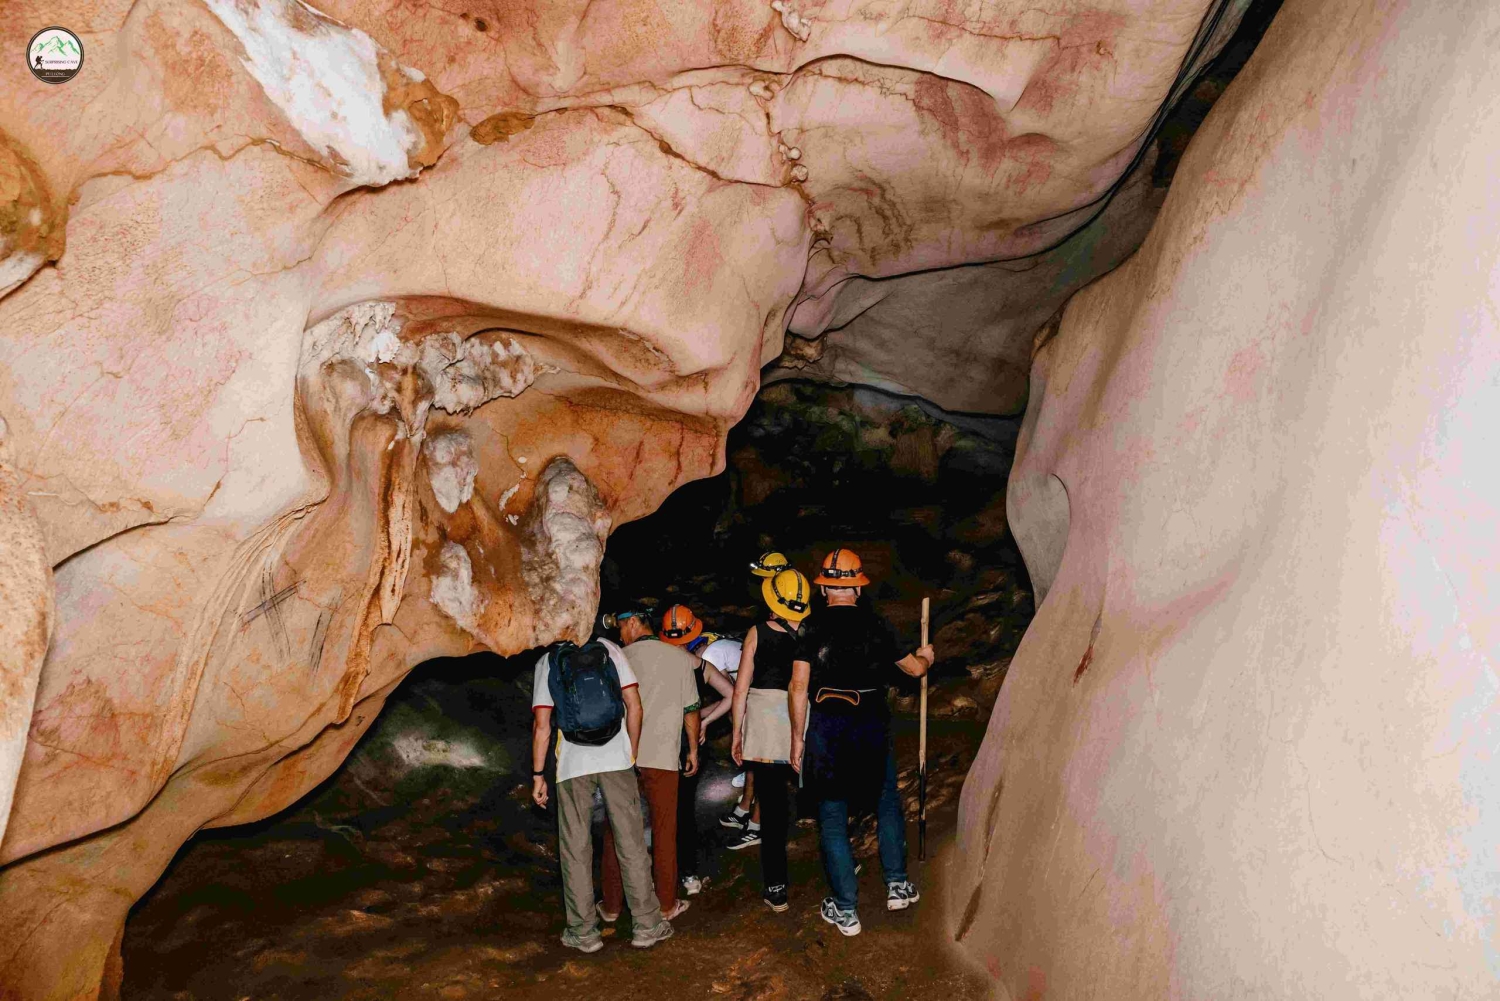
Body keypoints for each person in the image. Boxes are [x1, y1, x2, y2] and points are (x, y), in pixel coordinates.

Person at [789, 548, 935, 937]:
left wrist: (795, 739)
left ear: (824, 590)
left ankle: (846, 908)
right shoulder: (878, 624)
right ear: (856, 586)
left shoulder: (810, 626)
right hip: (870, 725)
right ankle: (898, 884)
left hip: (828, 727)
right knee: (886, 801)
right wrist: (926, 657)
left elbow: (799, 685)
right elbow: (913, 669)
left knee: (833, 816)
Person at [531, 636, 673, 953]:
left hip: (571, 765)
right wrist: (631, 752)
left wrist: (538, 774)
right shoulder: (608, 649)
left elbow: (542, 725)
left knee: (575, 849)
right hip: (616, 760)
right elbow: (634, 705)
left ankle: (584, 932)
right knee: (631, 842)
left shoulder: (549, 660)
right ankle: (647, 925)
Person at [598, 609, 702, 923]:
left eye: (621, 627)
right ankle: (666, 905)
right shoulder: (679, 658)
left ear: (633, 623)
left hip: (623, 758)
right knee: (664, 831)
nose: (619, 635)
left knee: (616, 831)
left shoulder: (616, 658)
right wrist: (693, 750)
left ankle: (613, 906)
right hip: (662, 758)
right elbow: (691, 711)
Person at [731, 567, 813, 913]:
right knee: (817, 793)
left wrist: (736, 731)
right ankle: (844, 861)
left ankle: (776, 886)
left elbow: (741, 687)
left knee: (773, 806)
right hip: (801, 714)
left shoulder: (757, 632)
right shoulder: (809, 633)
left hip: (765, 720)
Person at [661, 605, 735, 898]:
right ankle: (689, 875)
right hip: (686, 742)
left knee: (659, 808)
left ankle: (660, 875)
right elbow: (731, 694)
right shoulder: (698, 664)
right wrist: (704, 721)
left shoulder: (650, 660)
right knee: (684, 809)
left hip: (655, 743)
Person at [721, 552, 789, 833]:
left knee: (768, 765)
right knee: (763, 763)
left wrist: (737, 731)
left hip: (775, 704)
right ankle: (748, 807)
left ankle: (758, 824)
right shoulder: (776, 618)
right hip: (778, 703)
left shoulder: (773, 627)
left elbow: (742, 688)